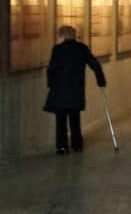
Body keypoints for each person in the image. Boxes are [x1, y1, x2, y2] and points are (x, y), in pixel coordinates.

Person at [44, 25, 106, 154]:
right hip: (76, 88)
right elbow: (94, 63)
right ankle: (77, 145)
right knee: (75, 118)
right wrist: (100, 79)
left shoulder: (57, 49)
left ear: (62, 35)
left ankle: (62, 147)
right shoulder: (81, 48)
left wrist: (50, 84)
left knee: (60, 119)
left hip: (60, 89)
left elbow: (51, 69)